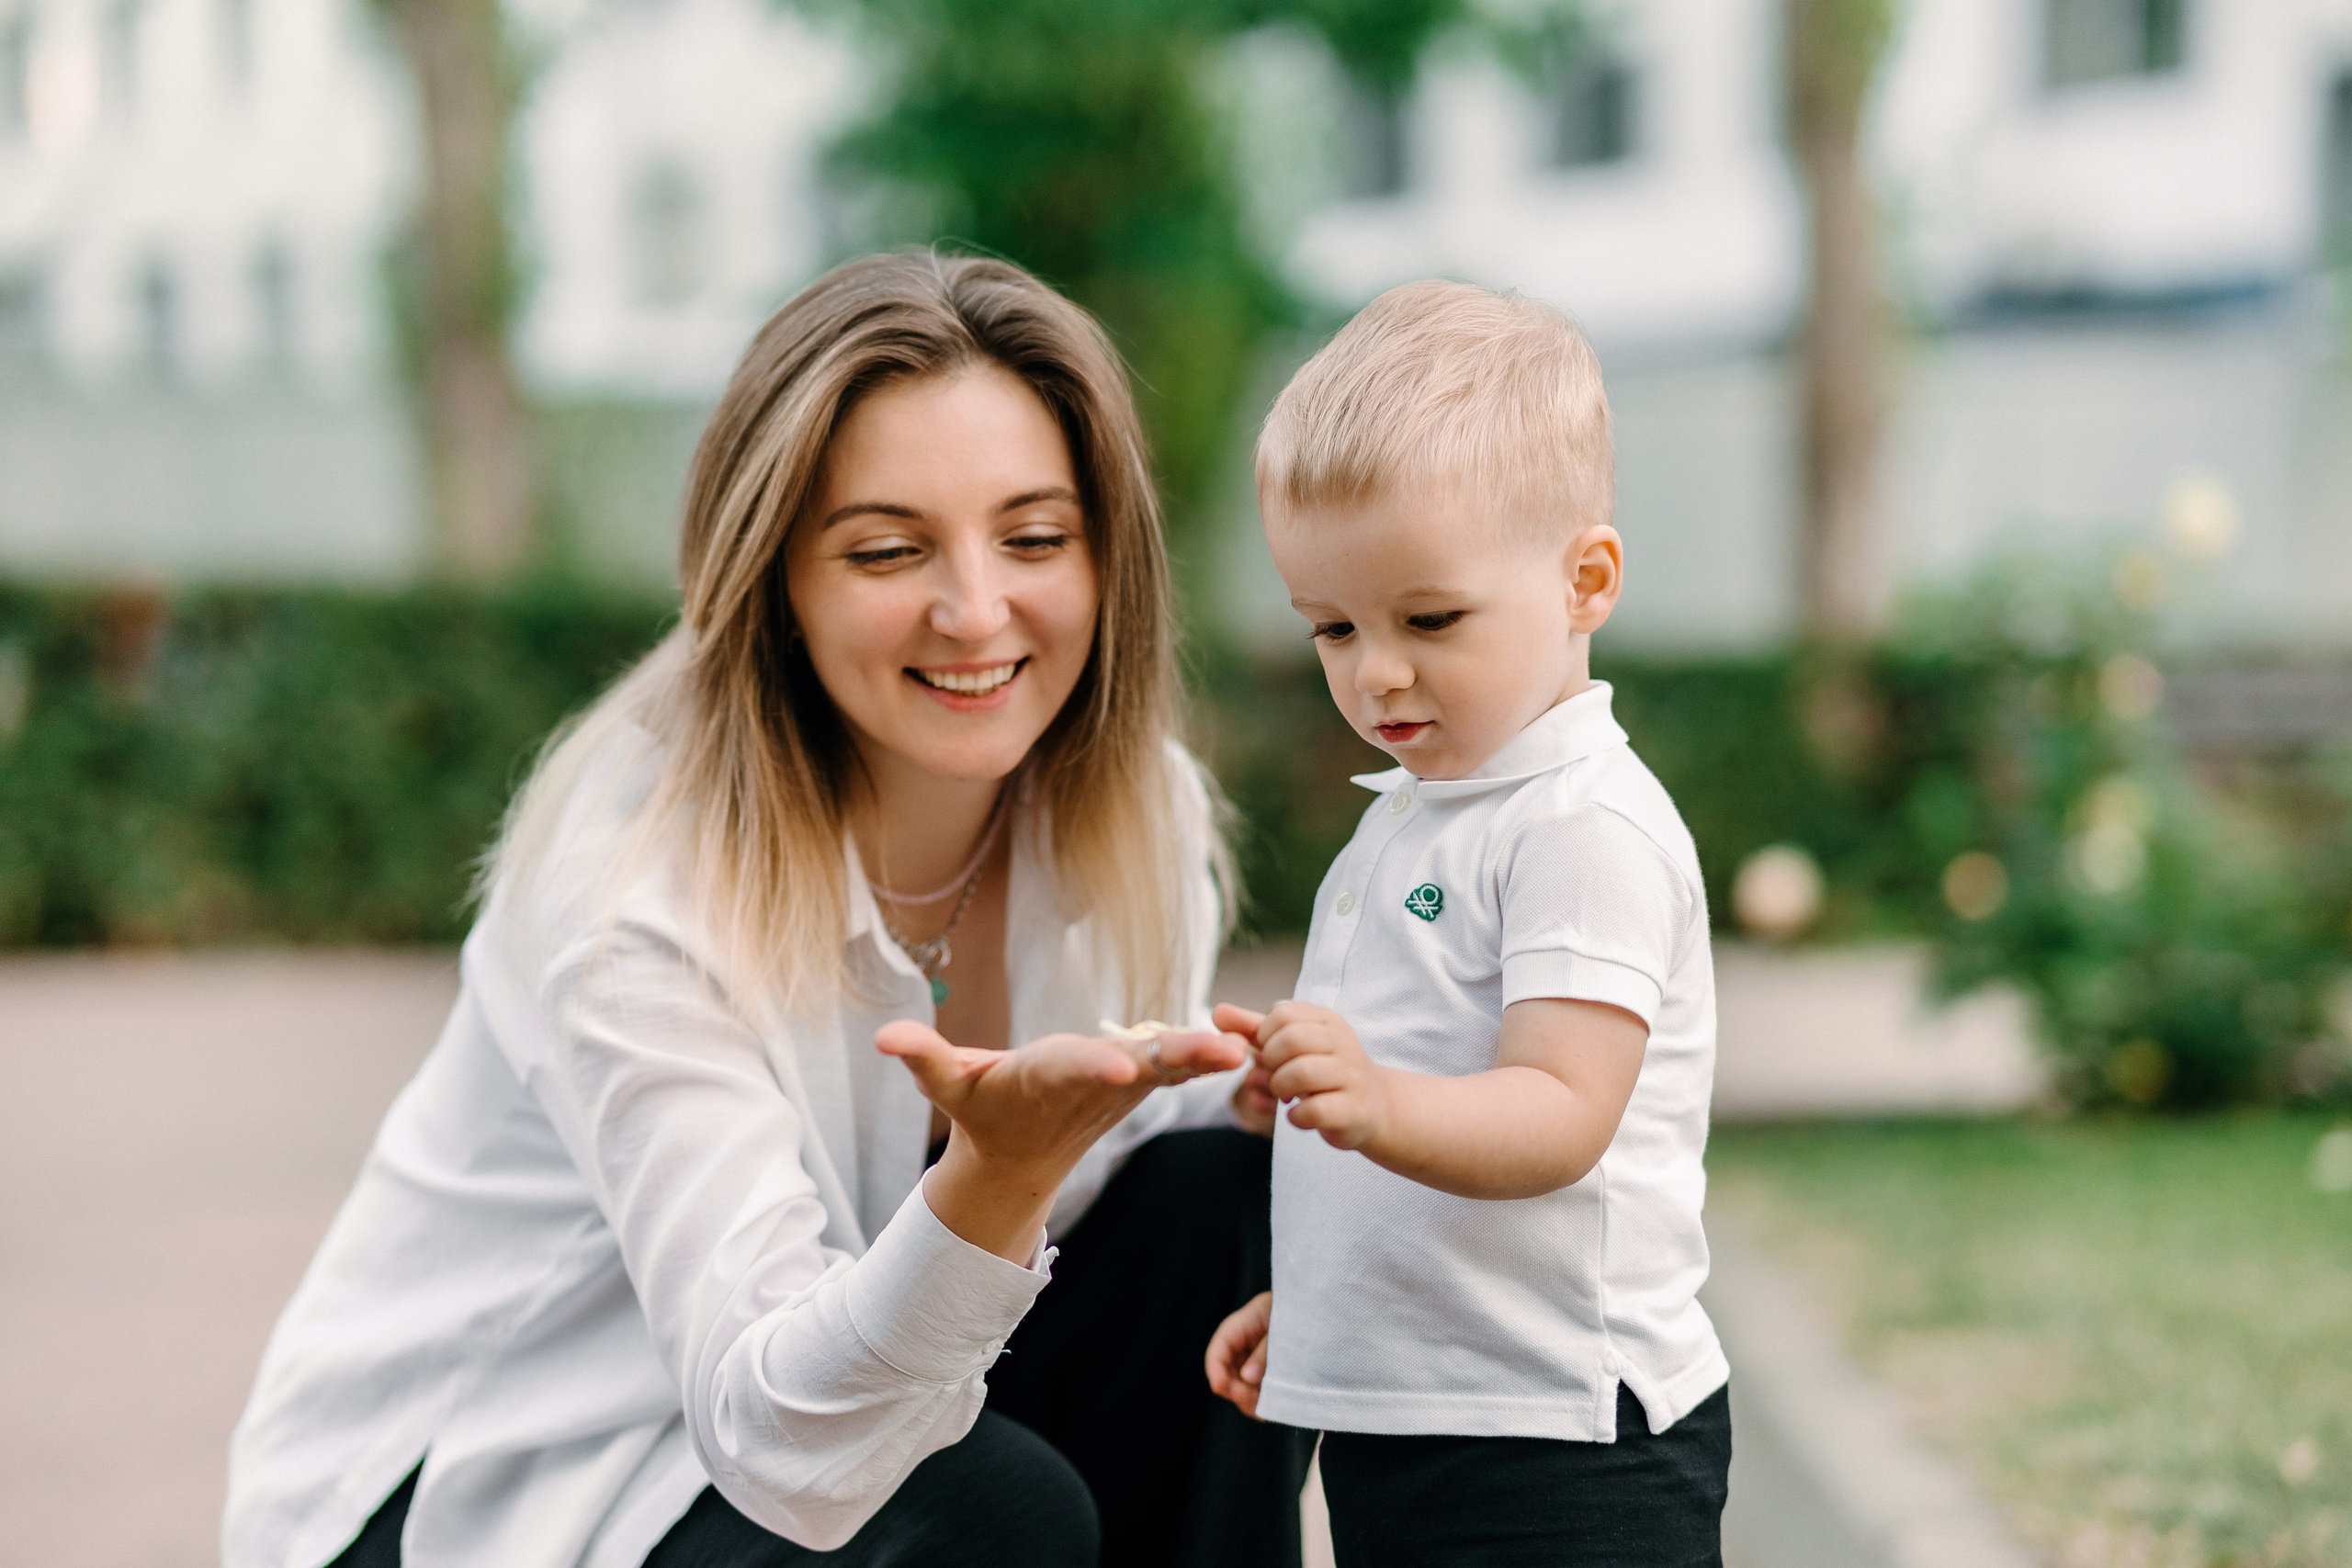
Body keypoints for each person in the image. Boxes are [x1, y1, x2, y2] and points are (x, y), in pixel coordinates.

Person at [223, 250, 1313, 1568]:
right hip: (492, 1485)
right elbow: (781, 1429)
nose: (976, 611)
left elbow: (1097, 1168)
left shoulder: (1140, 816)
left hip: (831, 1416)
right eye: (887, 549)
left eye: (1034, 538)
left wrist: (1256, 1091)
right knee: (992, 1513)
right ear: (777, 579)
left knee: (1232, 1197)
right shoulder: (641, 882)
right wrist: (994, 1176)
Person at [1203, 280, 1733, 1567]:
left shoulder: (1578, 826)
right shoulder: (1420, 814)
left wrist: (1374, 1100)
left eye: (1428, 619)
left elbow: (1557, 1112)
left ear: (1585, 580)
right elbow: (1429, 1101)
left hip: (1566, 1441)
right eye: (1331, 626)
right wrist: (1336, 1311)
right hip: (1435, 1410)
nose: (1375, 670)